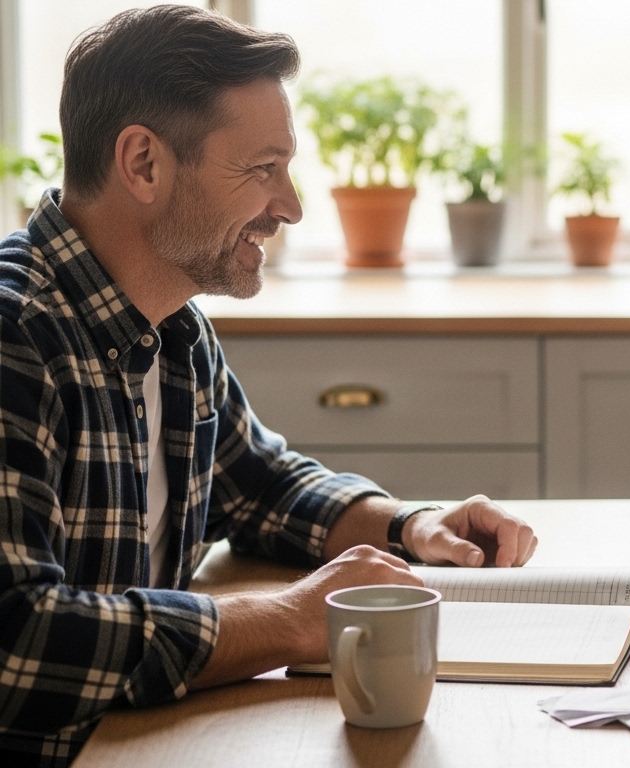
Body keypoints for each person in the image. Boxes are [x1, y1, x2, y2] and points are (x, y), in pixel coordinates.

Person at [0, 7, 536, 766]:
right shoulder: (14, 337)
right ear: (144, 163)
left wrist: (412, 526)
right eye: (262, 169)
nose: (290, 206)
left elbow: (258, 485)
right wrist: (285, 620)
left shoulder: (170, 324)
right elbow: (17, 640)